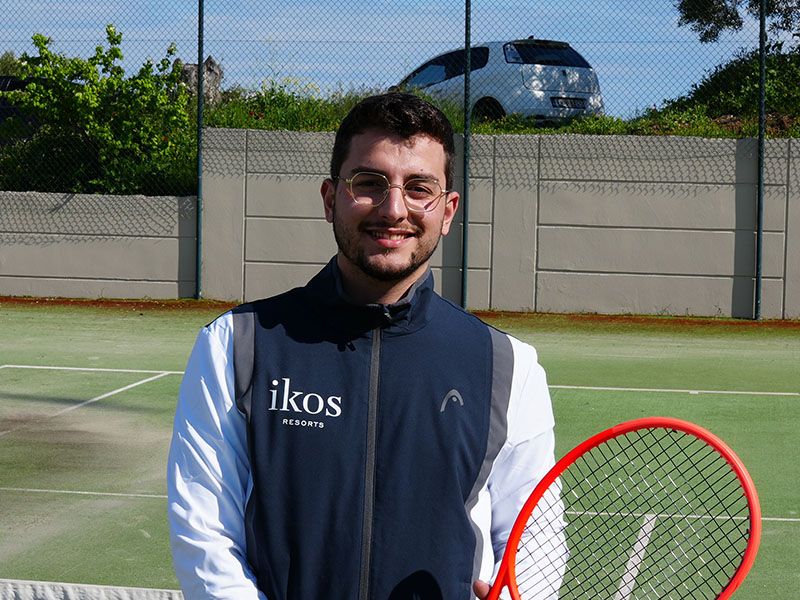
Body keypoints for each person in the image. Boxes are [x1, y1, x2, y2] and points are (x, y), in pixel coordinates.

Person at [167, 92, 562, 599]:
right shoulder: (236, 345)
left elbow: (533, 546)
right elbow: (203, 535)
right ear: (331, 198)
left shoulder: (510, 367)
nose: (393, 208)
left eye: (419, 188)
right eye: (369, 183)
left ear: (448, 210)